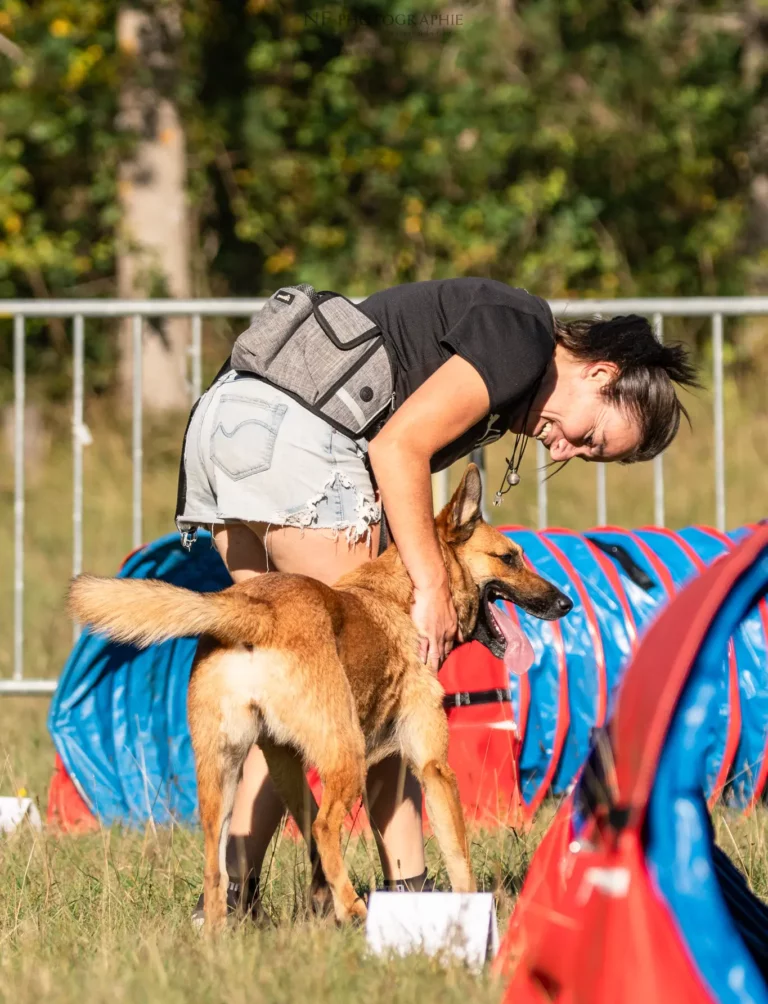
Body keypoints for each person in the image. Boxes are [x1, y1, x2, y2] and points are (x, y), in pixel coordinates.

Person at [175, 276, 697, 921]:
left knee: (283, 680)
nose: (562, 448)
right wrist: (429, 587)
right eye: (588, 438)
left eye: (584, 455)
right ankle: (413, 901)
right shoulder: (521, 335)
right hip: (300, 437)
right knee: (388, 671)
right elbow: (399, 448)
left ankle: (228, 899)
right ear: (601, 373)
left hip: (223, 423)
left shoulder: (503, 347)